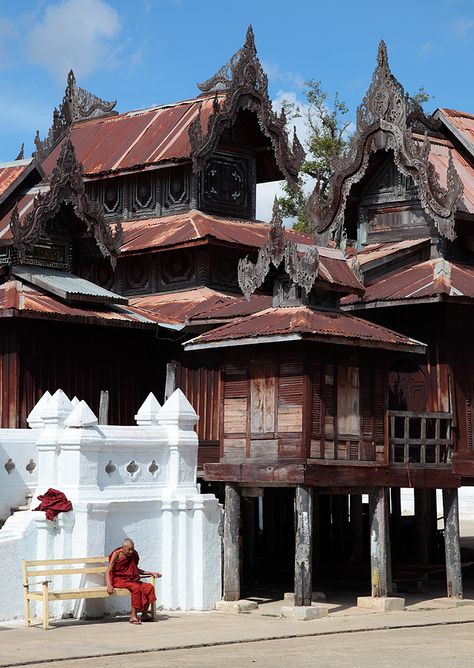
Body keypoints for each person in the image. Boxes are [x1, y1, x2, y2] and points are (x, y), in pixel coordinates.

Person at [106, 538, 161, 624]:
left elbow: (136, 569)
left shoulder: (133, 554)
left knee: (149, 587)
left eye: (132, 549)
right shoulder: (116, 554)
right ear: (123, 548)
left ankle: (144, 615)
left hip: (131, 580)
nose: (131, 551)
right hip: (118, 579)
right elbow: (108, 571)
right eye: (129, 549)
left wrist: (151, 573)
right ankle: (133, 616)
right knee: (136, 588)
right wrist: (109, 585)